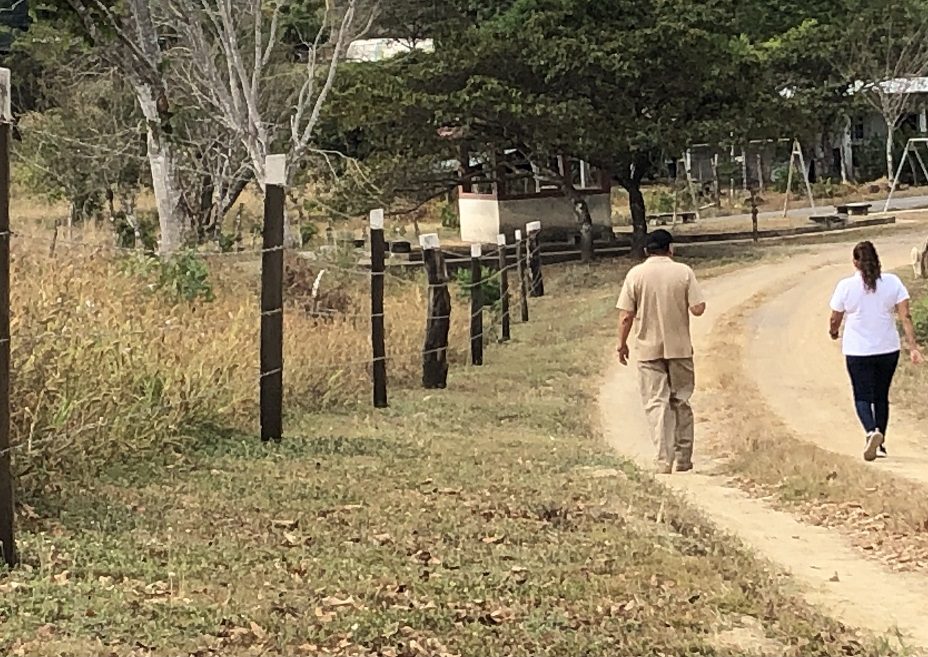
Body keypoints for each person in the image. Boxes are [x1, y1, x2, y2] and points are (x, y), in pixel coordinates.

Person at [616, 229, 706, 474]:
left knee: (657, 403)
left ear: (646, 250)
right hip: (680, 348)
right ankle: (684, 458)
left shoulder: (635, 275)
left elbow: (626, 316)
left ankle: (662, 460)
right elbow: (698, 308)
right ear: (671, 248)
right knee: (681, 401)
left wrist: (621, 344)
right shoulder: (684, 272)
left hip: (648, 349)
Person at [829, 240, 923, 462]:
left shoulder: (846, 286)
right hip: (887, 349)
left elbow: (836, 317)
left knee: (861, 394)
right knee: (881, 395)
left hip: (858, 350)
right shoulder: (892, 283)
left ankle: (871, 432)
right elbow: (905, 316)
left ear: (855, 262)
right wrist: (913, 347)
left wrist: (833, 331)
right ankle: (880, 443)